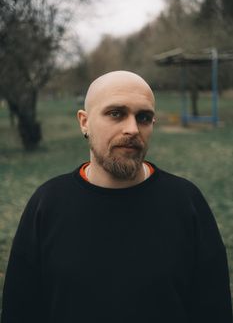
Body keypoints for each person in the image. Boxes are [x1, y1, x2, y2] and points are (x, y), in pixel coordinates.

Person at [1, 70, 232, 323]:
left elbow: (214, 310)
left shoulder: (186, 202)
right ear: (84, 122)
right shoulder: (47, 204)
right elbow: (19, 311)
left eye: (144, 117)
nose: (132, 129)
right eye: (116, 113)